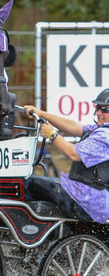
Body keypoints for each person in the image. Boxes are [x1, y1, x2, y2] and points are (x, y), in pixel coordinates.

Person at [22, 89, 109, 223]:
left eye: (104, 109)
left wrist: (52, 135)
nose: (98, 113)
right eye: (97, 108)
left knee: (24, 184)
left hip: (86, 202)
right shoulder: (100, 129)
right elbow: (74, 127)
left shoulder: (105, 136)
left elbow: (73, 154)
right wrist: (41, 113)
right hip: (86, 196)